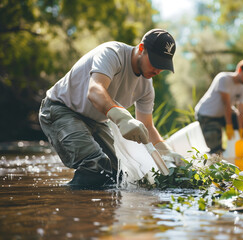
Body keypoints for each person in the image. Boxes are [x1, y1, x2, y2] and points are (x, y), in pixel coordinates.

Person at [39, 29, 184, 189]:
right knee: (96, 167)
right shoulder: (112, 53)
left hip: (96, 121)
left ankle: (97, 209)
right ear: (142, 49)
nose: (157, 70)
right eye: (155, 62)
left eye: (163, 65)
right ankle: (61, 202)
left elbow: (147, 126)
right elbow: (95, 91)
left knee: (119, 175)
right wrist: (123, 118)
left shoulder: (147, 88)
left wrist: (166, 152)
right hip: (60, 109)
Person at [194, 59, 243, 157]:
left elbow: (240, 110)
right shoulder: (223, 79)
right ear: (240, 70)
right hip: (207, 115)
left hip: (223, 114)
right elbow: (226, 105)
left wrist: (241, 130)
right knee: (216, 150)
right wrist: (229, 126)